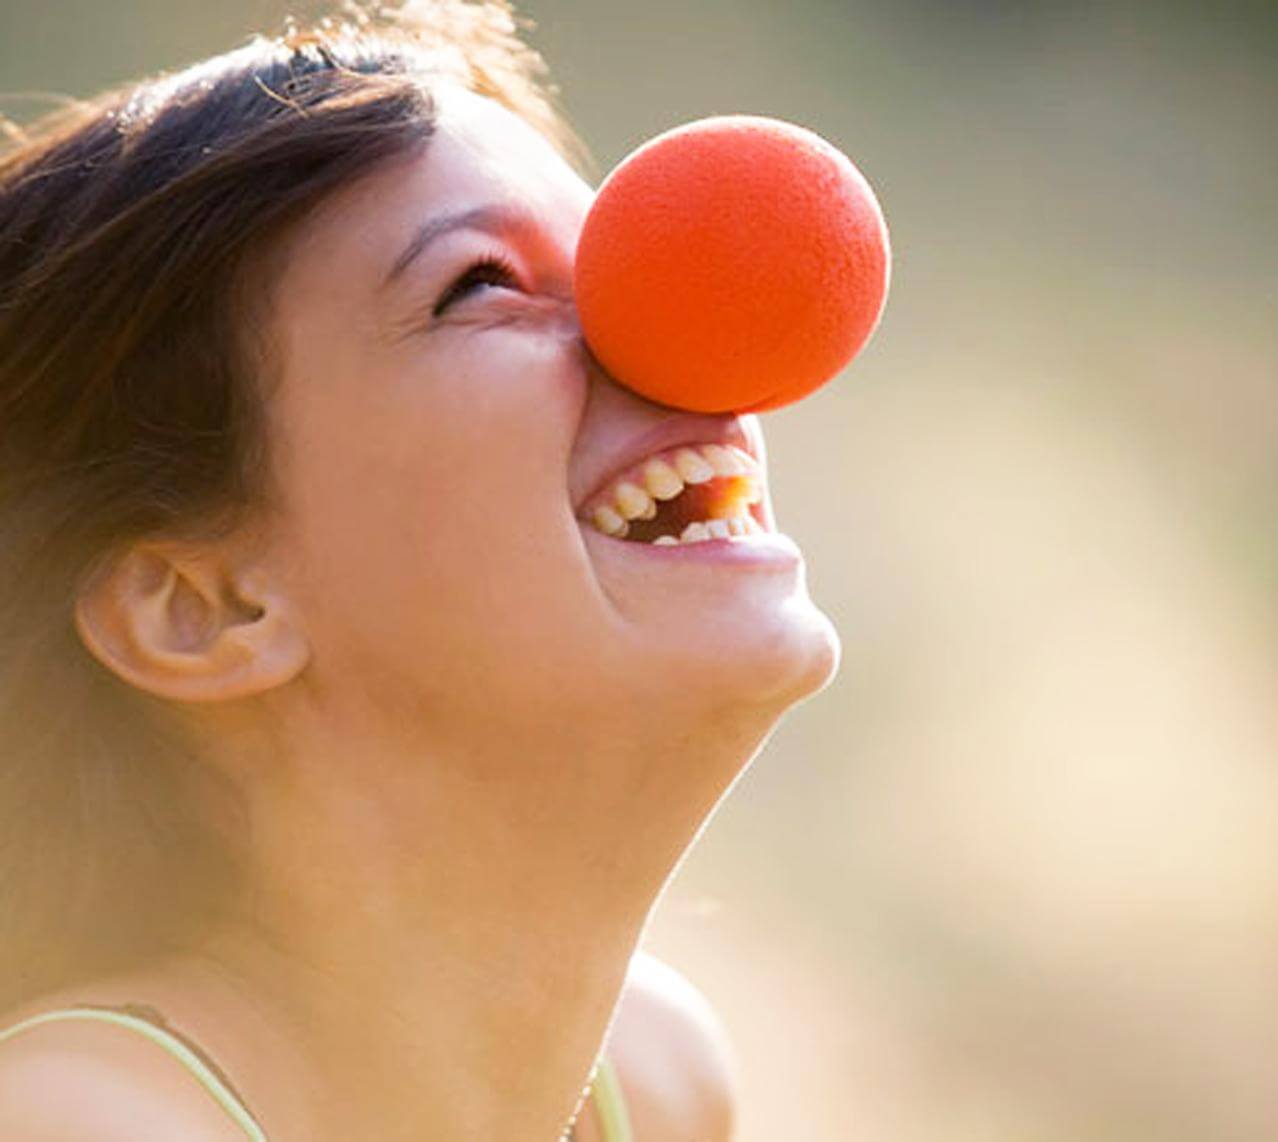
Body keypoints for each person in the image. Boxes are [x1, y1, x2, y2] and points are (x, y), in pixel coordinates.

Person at [0, 2, 840, 1138]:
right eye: (482, 283)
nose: (671, 343)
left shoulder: (655, 1079)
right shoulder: (84, 1122)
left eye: (617, 260)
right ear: (205, 604)